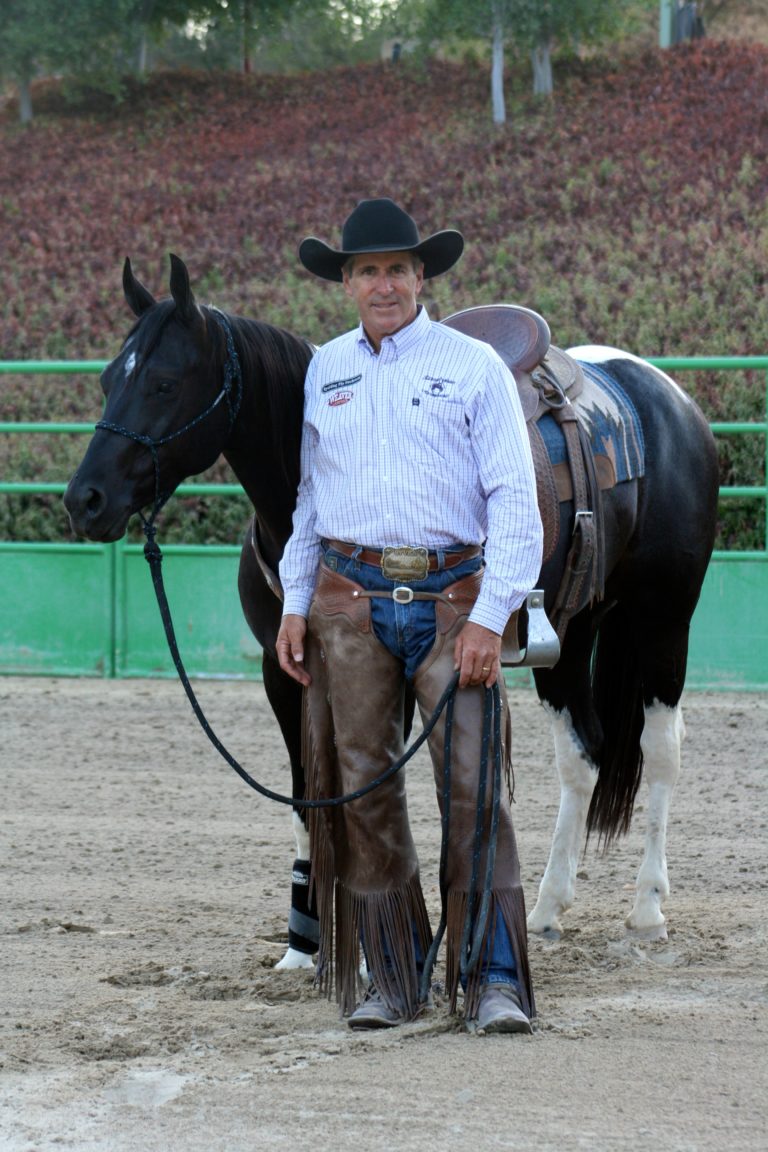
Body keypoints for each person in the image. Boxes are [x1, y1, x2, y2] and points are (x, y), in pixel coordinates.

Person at [277, 197, 543, 1034]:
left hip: (453, 601)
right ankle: (393, 977)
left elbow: (515, 499)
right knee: (363, 790)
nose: (383, 284)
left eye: (397, 268)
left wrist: (491, 617)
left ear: (422, 277)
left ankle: (493, 979)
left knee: (474, 785)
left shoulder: (473, 367)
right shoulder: (326, 369)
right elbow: (310, 499)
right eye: (367, 271)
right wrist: (294, 600)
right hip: (348, 603)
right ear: (346, 283)